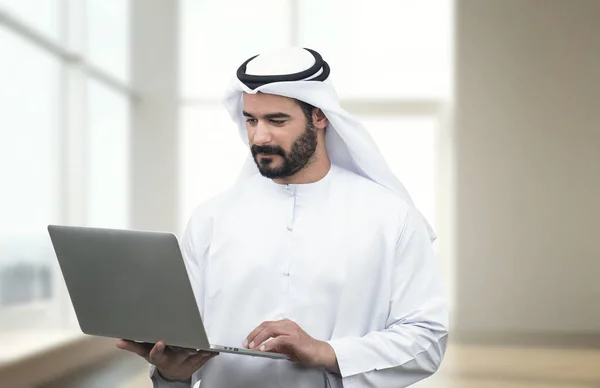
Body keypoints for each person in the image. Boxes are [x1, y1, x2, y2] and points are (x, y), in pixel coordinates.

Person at [117, 47, 449, 387]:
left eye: (277, 120)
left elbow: (427, 340)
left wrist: (327, 352)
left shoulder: (391, 217)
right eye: (251, 120)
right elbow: (185, 344)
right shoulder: (211, 219)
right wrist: (171, 372)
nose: (259, 137)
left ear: (320, 116)